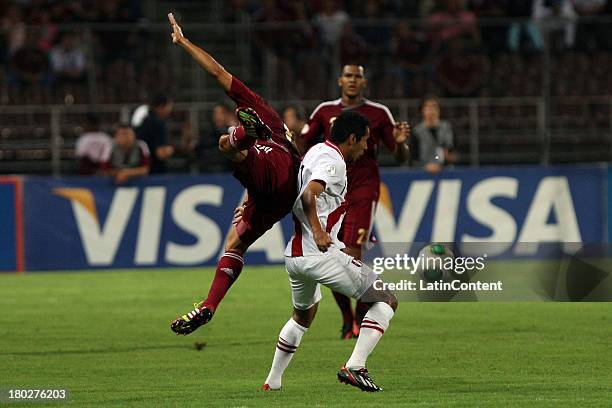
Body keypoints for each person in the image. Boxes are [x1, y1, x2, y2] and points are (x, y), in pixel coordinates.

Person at [166, 13, 300, 335]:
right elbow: (218, 71)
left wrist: (184, 42)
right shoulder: (265, 107)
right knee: (234, 243)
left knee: (226, 143)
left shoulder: (251, 103)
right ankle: (208, 305)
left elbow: (217, 71)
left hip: (271, 163)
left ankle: (241, 136)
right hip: (286, 185)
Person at [262, 110, 397, 392]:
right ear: (352, 138)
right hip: (319, 254)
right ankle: (355, 366)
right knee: (386, 299)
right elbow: (309, 193)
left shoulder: (315, 151)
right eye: (365, 141)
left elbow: (291, 189)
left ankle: (272, 383)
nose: (366, 147)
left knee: (303, 315)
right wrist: (320, 231)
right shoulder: (334, 163)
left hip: (296, 256)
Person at [301, 64, 409, 339]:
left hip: (363, 190)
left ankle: (360, 318)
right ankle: (348, 318)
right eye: (348, 76)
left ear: (364, 82)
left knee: (351, 254)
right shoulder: (324, 111)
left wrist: (401, 143)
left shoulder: (379, 113)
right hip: (333, 191)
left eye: (357, 76)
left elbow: (400, 156)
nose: (352, 80)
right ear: (340, 80)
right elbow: (302, 147)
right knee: (332, 256)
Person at [411, 97, 457, 174]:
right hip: (422, 173)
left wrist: (449, 157)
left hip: (446, 171)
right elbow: (413, 158)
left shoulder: (448, 128)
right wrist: (425, 166)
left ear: (439, 110)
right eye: (428, 108)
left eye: (434, 107)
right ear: (422, 111)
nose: (431, 111)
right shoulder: (416, 131)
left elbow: (455, 154)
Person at [137, 93, 174, 174]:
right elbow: (160, 153)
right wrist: (171, 150)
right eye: (169, 106)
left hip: (140, 166)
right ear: (161, 107)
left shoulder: (145, 121)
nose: (170, 109)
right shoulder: (158, 124)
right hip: (155, 170)